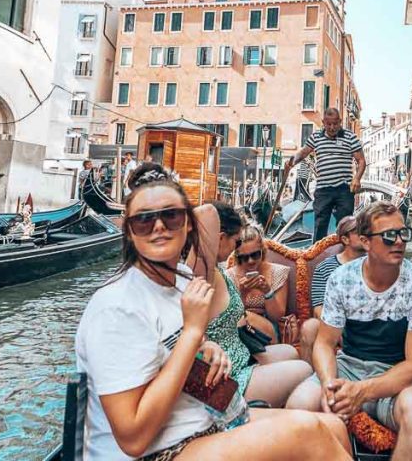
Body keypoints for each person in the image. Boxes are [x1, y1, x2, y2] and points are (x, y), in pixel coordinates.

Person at [75, 162, 350, 460]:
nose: (158, 226)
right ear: (129, 232)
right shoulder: (117, 307)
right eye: (143, 219)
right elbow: (133, 439)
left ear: (187, 224)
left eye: (171, 215)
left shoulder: (180, 279)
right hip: (157, 452)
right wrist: (193, 334)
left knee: (333, 426)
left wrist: (207, 349)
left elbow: (176, 359)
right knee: (307, 433)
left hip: (203, 423)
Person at [286, 201, 412, 461]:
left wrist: (363, 391)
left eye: (403, 233)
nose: (399, 241)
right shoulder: (342, 279)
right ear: (365, 241)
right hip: (347, 368)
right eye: (389, 236)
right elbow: (325, 344)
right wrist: (329, 385)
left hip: (396, 377)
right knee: (299, 405)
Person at [192, 200, 310, 407]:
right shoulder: (202, 270)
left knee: (292, 353)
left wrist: (267, 291)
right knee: (305, 369)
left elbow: (274, 315)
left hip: (242, 353)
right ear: (219, 238)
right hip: (232, 374)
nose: (241, 255)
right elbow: (205, 213)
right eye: (236, 244)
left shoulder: (215, 270)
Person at [284, 108, 366, 242]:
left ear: (340, 122)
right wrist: (292, 161)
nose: (332, 127)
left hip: (344, 188)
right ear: (323, 123)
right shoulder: (316, 137)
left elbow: (361, 160)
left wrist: (357, 178)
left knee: (345, 225)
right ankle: (317, 256)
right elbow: (304, 152)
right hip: (323, 189)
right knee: (320, 225)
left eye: (335, 124)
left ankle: (344, 253)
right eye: (329, 124)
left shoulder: (350, 137)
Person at [299, 215, 367, 365]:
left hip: (367, 322)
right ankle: (310, 378)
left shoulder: (374, 265)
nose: (365, 235)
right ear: (345, 239)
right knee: (310, 327)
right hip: (334, 323)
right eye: (359, 232)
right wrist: (339, 330)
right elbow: (318, 309)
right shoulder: (324, 268)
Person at [227, 225, 294, 342]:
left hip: (269, 331)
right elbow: (232, 317)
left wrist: (267, 292)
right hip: (239, 329)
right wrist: (242, 293)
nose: (251, 261)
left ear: (262, 250)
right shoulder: (229, 276)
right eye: (244, 257)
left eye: (255, 255)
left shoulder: (278, 272)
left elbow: (277, 316)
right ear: (237, 257)